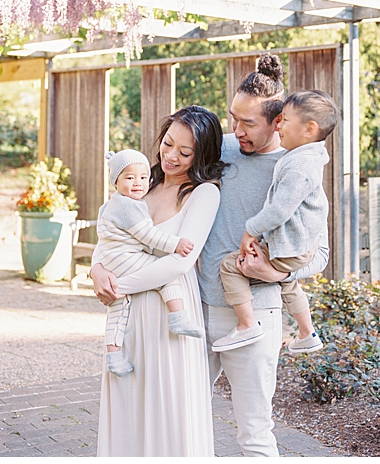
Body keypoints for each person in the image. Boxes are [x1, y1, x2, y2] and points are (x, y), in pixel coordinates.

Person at [92, 52, 330, 457]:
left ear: (278, 122)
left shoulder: (295, 172)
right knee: (181, 421)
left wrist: (275, 273)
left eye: (246, 123)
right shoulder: (219, 152)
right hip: (196, 312)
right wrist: (101, 264)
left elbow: (319, 253)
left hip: (255, 316)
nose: (234, 130)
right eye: (232, 118)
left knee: (254, 433)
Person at [91, 106, 226, 457]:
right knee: (127, 403)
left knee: (170, 407)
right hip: (130, 314)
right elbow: (108, 236)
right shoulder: (137, 183)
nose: (170, 156)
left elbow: (181, 262)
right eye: (167, 144)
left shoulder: (204, 193)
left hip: (170, 314)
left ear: (202, 154)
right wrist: (97, 271)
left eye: (184, 152)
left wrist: (119, 285)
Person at [214, 89, 338, 354]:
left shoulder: (299, 167)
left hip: (294, 249)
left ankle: (247, 323)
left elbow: (279, 210)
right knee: (289, 284)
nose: (279, 125)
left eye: (285, 120)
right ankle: (307, 332)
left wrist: (251, 230)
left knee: (231, 266)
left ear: (309, 129)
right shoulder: (306, 157)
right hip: (298, 249)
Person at [97, 149, 204, 378]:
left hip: (112, 260)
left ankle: (113, 356)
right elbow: (148, 235)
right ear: (115, 182)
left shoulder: (114, 203)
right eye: (129, 177)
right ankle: (178, 317)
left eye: (143, 177)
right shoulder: (127, 206)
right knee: (166, 274)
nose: (138, 183)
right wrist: (175, 244)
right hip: (124, 257)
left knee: (117, 307)